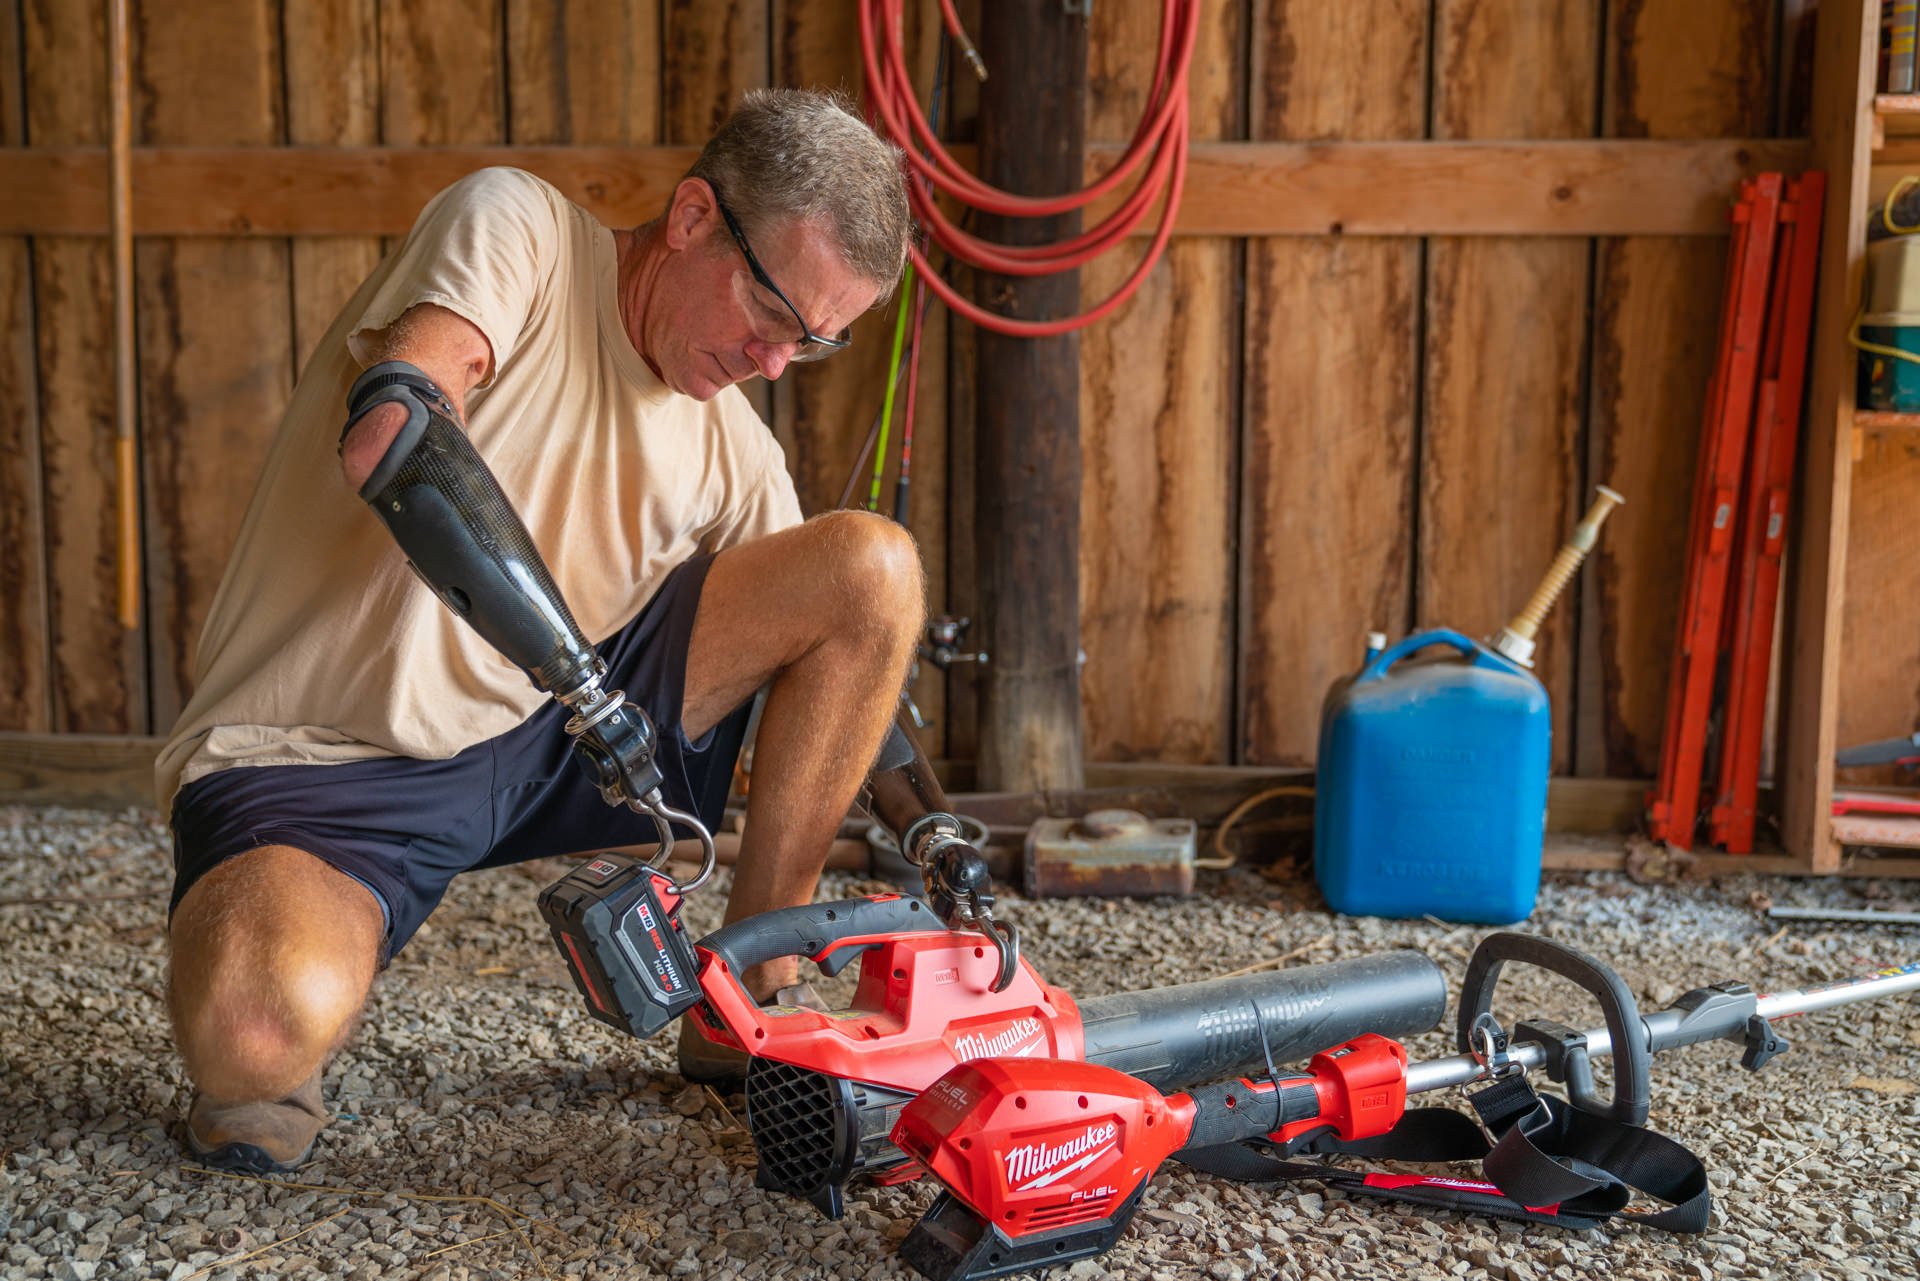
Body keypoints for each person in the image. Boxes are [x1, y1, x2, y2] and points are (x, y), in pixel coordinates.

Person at [155, 88, 924, 1174]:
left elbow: (839, 648)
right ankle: (294, 953)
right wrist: (584, 682)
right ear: (695, 216)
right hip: (325, 761)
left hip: (557, 740)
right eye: (774, 314)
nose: (775, 363)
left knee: (871, 567)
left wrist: (932, 828)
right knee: (255, 1042)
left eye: (817, 342)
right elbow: (400, 431)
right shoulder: (518, 227)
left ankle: (750, 991)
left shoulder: (734, 446)